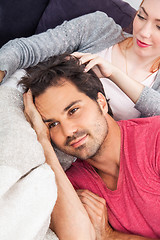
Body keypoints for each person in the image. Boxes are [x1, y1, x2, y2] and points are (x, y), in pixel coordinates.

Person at [20, 53, 160, 240]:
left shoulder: (155, 138)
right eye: (52, 124)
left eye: (73, 111)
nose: (68, 131)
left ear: (101, 103)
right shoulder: (71, 183)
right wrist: (43, 141)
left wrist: (109, 236)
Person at [0, 0, 160, 119]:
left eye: (159, 26)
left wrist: (113, 74)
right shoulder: (99, 27)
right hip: (22, 98)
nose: (144, 32)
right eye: (141, 16)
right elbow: (27, 49)